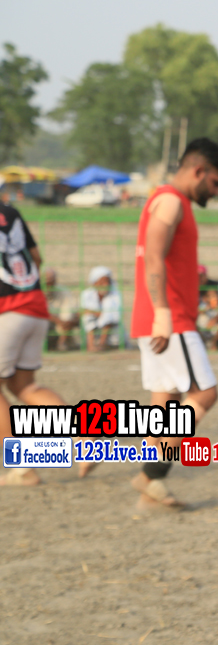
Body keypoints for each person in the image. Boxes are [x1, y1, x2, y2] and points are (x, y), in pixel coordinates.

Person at [130, 137, 218, 509]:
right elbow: (153, 256)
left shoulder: (166, 200)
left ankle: (151, 486)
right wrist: (163, 313)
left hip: (160, 317)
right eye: (216, 182)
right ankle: (150, 475)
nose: (216, 191)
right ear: (199, 171)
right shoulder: (172, 201)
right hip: (169, 318)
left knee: (166, 399)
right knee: (205, 394)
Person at [0, 203, 94, 485]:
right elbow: (36, 258)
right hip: (35, 307)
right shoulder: (10, 212)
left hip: (7, 310)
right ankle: (83, 440)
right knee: (24, 386)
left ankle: (23, 468)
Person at [80, 266, 122, 352]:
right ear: (95, 283)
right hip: (94, 327)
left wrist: (96, 313)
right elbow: (83, 312)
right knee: (88, 318)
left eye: (107, 281)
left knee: (108, 317)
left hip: (112, 330)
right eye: (102, 282)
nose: (106, 285)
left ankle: (102, 344)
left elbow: (114, 316)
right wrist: (99, 313)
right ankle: (91, 345)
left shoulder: (115, 294)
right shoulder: (87, 294)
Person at [42, 267, 79, 351]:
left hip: (61, 324)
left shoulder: (63, 291)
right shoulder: (37, 291)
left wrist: (64, 321)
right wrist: (56, 320)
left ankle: (62, 343)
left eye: (52, 282)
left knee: (69, 317)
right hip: (46, 322)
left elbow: (70, 310)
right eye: (47, 283)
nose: (49, 286)